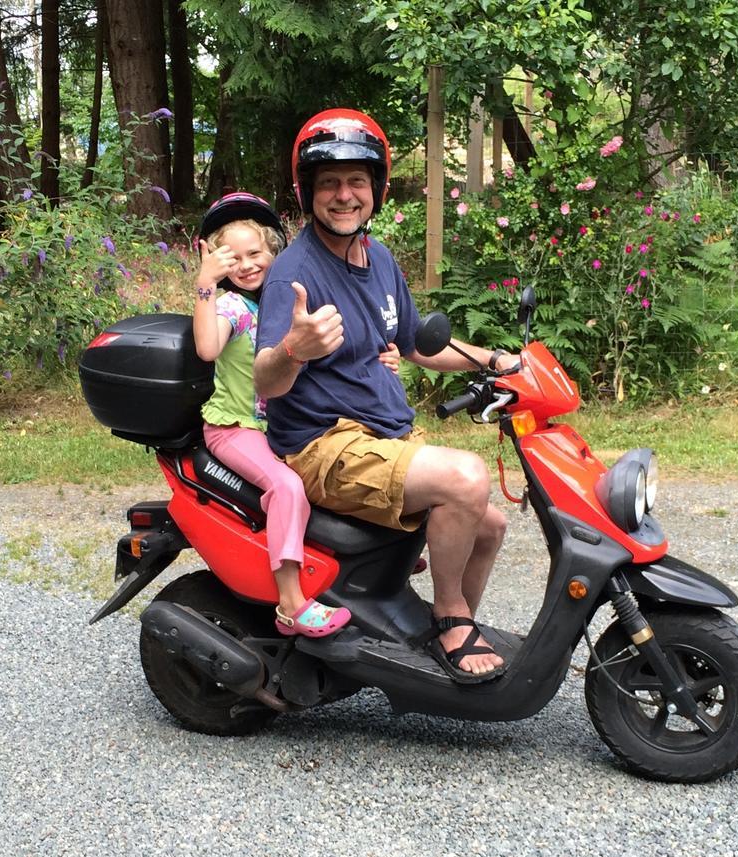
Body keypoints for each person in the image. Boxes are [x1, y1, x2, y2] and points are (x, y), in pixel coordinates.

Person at [253, 109, 520, 683]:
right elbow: (265, 382)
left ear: (375, 187)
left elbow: (417, 346)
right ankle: (451, 620)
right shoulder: (293, 274)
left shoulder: (379, 260)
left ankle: (450, 622)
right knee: (467, 478)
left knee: (490, 526)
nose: (344, 196)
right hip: (325, 444)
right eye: (329, 183)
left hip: (383, 432)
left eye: (356, 182)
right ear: (308, 192)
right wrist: (294, 348)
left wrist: (496, 361)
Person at [195, 192, 369, 639]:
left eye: (256, 253)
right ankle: (291, 603)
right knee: (287, 485)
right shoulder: (232, 307)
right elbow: (207, 348)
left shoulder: (278, 304)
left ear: (275, 252)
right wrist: (205, 284)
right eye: (231, 257)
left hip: (277, 427)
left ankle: (362, 561)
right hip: (234, 428)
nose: (247, 264)